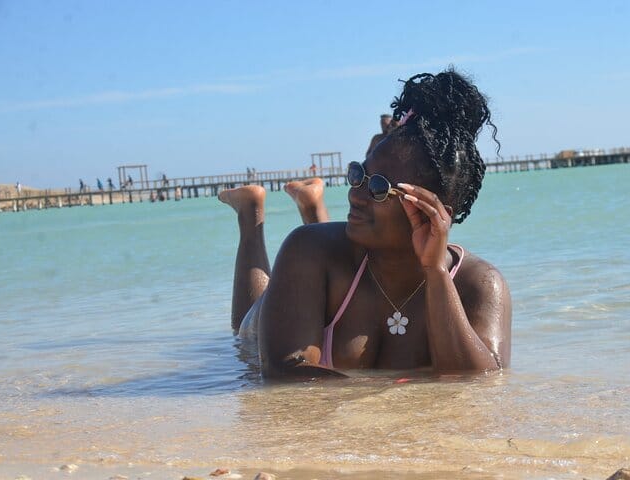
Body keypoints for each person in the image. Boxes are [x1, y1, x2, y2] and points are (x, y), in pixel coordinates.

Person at [219, 69, 511, 379]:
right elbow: (283, 377)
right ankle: (250, 212)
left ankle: (310, 203)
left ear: (431, 212)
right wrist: (388, 398)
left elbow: (480, 382)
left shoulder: (480, 284)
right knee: (241, 330)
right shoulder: (306, 249)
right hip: (259, 332)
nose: (354, 194)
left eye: (378, 188)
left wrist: (436, 273)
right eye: (359, 174)